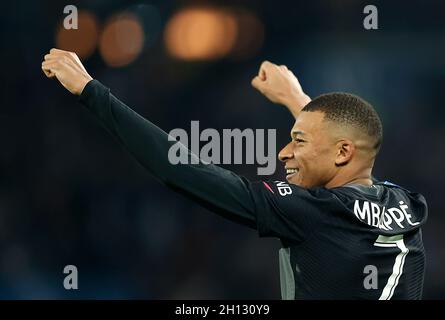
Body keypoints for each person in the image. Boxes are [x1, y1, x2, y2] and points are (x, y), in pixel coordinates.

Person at [41, 48, 427, 299]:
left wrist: (91, 91)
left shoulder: (313, 211)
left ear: (343, 152)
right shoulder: (407, 204)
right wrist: (296, 99)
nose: (284, 152)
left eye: (298, 141)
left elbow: (181, 169)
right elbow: (348, 151)